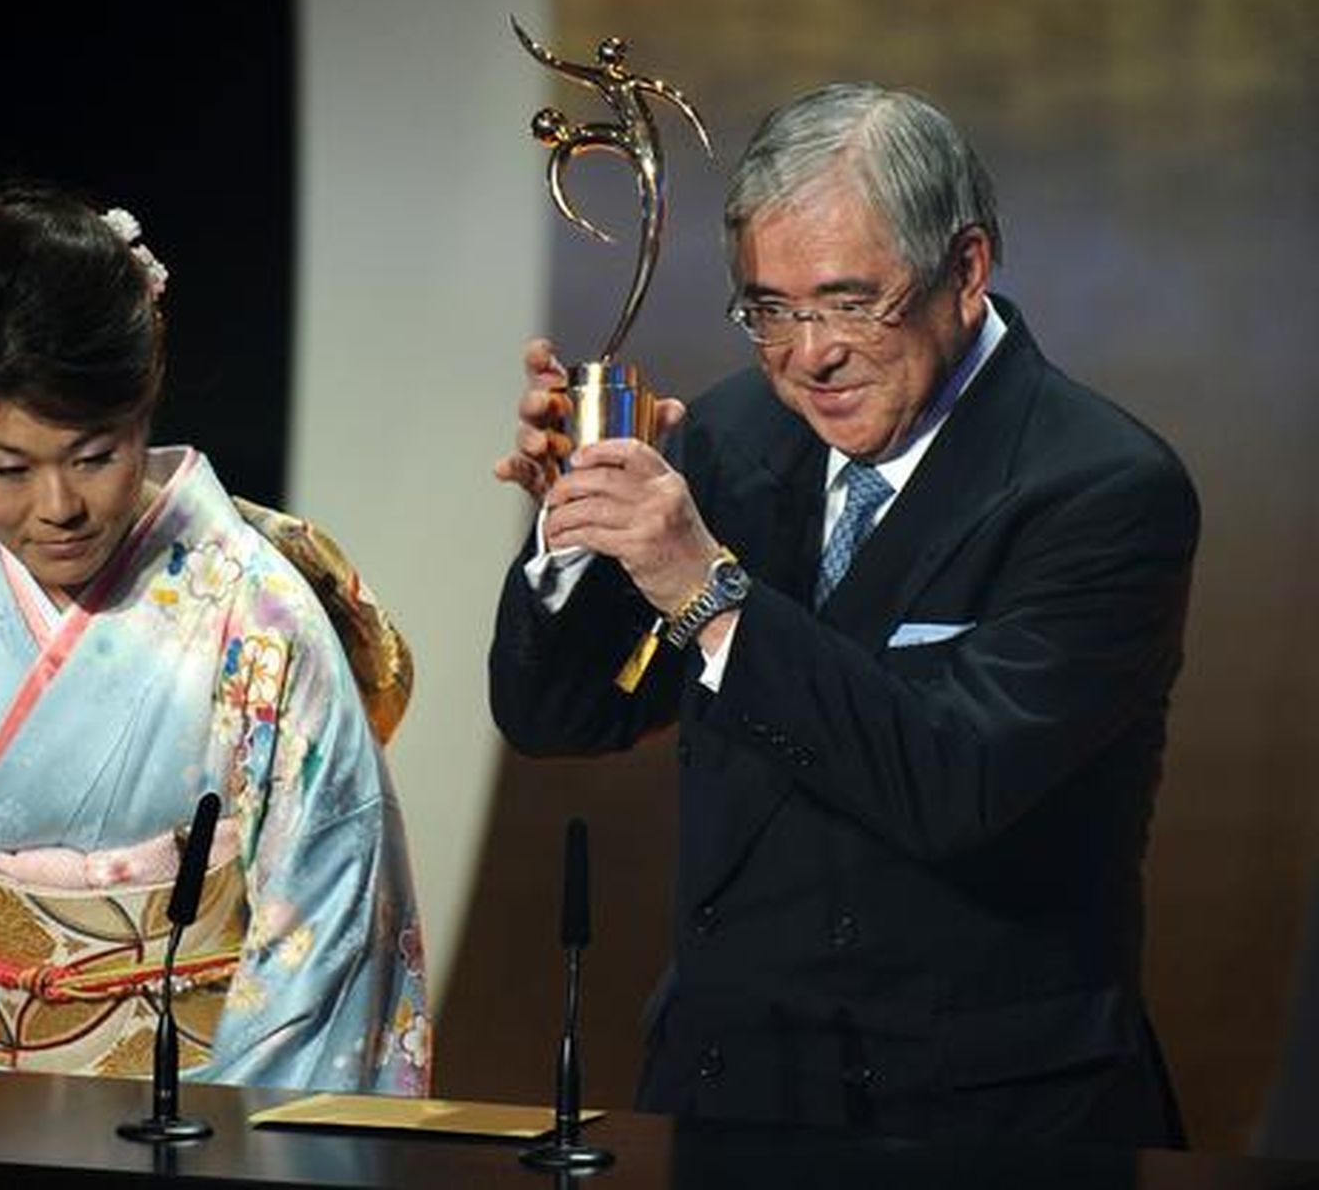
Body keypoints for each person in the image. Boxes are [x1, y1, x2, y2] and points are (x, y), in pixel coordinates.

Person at [490, 83, 1196, 1145]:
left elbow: (955, 782)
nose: (809, 353)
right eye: (770, 310)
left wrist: (711, 596)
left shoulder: (1100, 487)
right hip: (729, 1094)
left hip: (981, 1124)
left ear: (966, 269)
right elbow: (562, 716)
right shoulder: (737, 434)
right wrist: (574, 532)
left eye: (850, 302)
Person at [0, 189, 430, 1094]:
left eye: (94, 456)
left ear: (144, 406)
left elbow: (324, 945)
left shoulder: (259, 620)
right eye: (7, 467)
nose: (58, 506)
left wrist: (212, 1142)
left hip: (196, 1115)